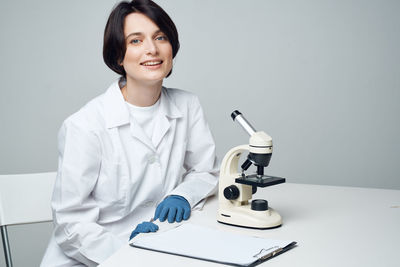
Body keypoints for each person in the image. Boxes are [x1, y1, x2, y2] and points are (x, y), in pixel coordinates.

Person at [40, 0, 218, 266]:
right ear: (118, 56)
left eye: (160, 37)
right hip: (96, 256)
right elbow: (71, 222)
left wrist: (183, 194)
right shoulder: (85, 125)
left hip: (159, 247)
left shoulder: (187, 105)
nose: (152, 49)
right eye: (136, 41)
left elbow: (206, 171)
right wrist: (123, 252)